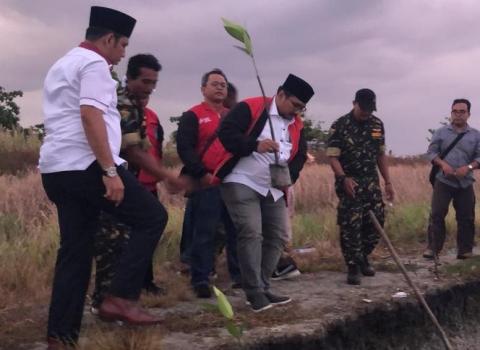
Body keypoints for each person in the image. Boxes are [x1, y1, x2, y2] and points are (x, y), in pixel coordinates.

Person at [39, 7, 166, 348]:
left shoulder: (64, 62)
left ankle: (60, 337)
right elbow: (90, 114)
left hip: (56, 169)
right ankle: (121, 297)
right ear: (108, 39)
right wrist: (111, 171)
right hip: (86, 165)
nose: (124, 53)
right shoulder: (95, 64)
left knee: (76, 252)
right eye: (123, 44)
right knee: (153, 216)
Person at [205, 74, 314, 312]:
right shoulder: (252, 107)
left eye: (301, 108)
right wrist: (255, 145)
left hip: (274, 186)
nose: (296, 112)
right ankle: (253, 292)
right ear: (281, 94)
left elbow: (300, 155)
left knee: (277, 236)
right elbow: (226, 133)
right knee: (251, 233)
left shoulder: (296, 124)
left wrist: (289, 177)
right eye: (294, 105)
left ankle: (263, 286)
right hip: (242, 180)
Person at [91, 54, 182, 313]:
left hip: (121, 179)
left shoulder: (135, 104)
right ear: (129, 78)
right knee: (113, 240)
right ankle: (108, 304)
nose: (150, 88)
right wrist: (168, 176)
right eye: (144, 81)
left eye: (153, 83)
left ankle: (110, 303)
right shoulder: (123, 103)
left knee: (121, 240)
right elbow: (132, 151)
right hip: (108, 180)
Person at [176, 69, 241, 298]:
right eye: (215, 84)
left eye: (223, 84)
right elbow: (185, 148)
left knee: (235, 230)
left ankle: (238, 276)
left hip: (231, 181)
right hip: (207, 182)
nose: (220, 87)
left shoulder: (232, 115)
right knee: (204, 232)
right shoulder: (192, 115)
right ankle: (200, 279)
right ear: (203, 88)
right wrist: (201, 173)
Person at [326, 88, 394, 285]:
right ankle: (352, 265)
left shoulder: (377, 124)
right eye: (363, 108)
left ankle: (363, 256)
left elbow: (380, 155)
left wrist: (388, 182)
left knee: (376, 222)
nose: (366, 113)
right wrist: (343, 178)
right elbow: (333, 157)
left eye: (370, 109)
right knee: (351, 225)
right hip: (350, 183)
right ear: (354, 103)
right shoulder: (340, 125)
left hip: (371, 183)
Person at [424, 98, 480, 260]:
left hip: (465, 182)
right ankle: (433, 249)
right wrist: (443, 164)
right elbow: (431, 153)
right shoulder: (441, 132)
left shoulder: (475, 135)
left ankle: (464, 251)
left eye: (462, 112)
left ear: (468, 114)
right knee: (437, 214)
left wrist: (468, 168)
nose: (458, 115)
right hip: (443, 180)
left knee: (466, 217)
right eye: (455, 111)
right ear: (451, 113)